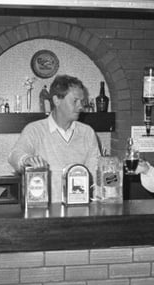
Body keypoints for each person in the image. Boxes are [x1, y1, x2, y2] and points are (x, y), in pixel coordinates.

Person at [8, 74, 101, 202]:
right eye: (75, 101)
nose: (81, 107)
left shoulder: (88, 133)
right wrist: (26, 160)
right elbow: (14, 155)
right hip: (44, 213)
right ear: (57, 100)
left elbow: (95, 175)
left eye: (82, 101)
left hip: (79, 211)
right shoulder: (35, 130)